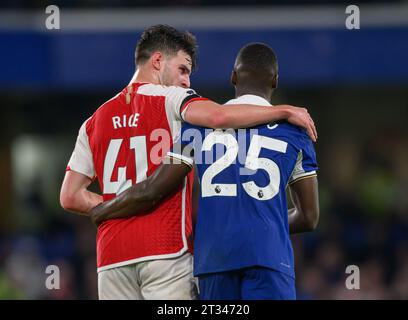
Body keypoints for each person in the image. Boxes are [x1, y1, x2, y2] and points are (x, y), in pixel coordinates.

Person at [60, 24, 317, 300]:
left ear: (233, 77)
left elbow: (70, 197)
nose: (186, 82)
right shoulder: (176, 102)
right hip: (166, 250)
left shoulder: (93, 121)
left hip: (112, 254)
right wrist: (284, 110)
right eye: (183, 70)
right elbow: (218, 117)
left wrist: (109, 207)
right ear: (158, 61)